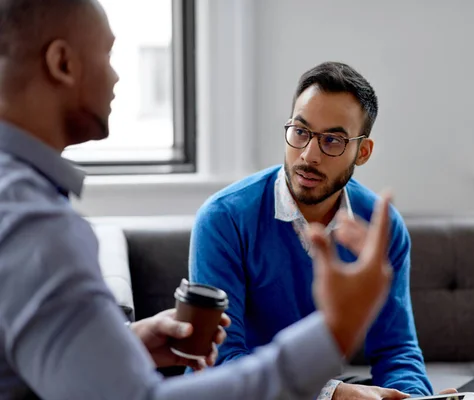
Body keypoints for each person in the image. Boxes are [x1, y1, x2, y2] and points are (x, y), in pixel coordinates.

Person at [0, 0, 397, 399]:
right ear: (62, 63)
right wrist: (334, 331)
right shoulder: (34, 224)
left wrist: (128, 341)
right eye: (107, 54)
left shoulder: (18, 200)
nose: (117, 77)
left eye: (331, 140)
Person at [189, 61, 456, 399]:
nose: (309, 154)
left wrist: (414, 398)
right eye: (300, 132)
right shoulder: (223, 219)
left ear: (363, 152)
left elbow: (397, 351)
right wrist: (333, 394)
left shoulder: (381, 227)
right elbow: (221, 362)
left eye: (333, 140)